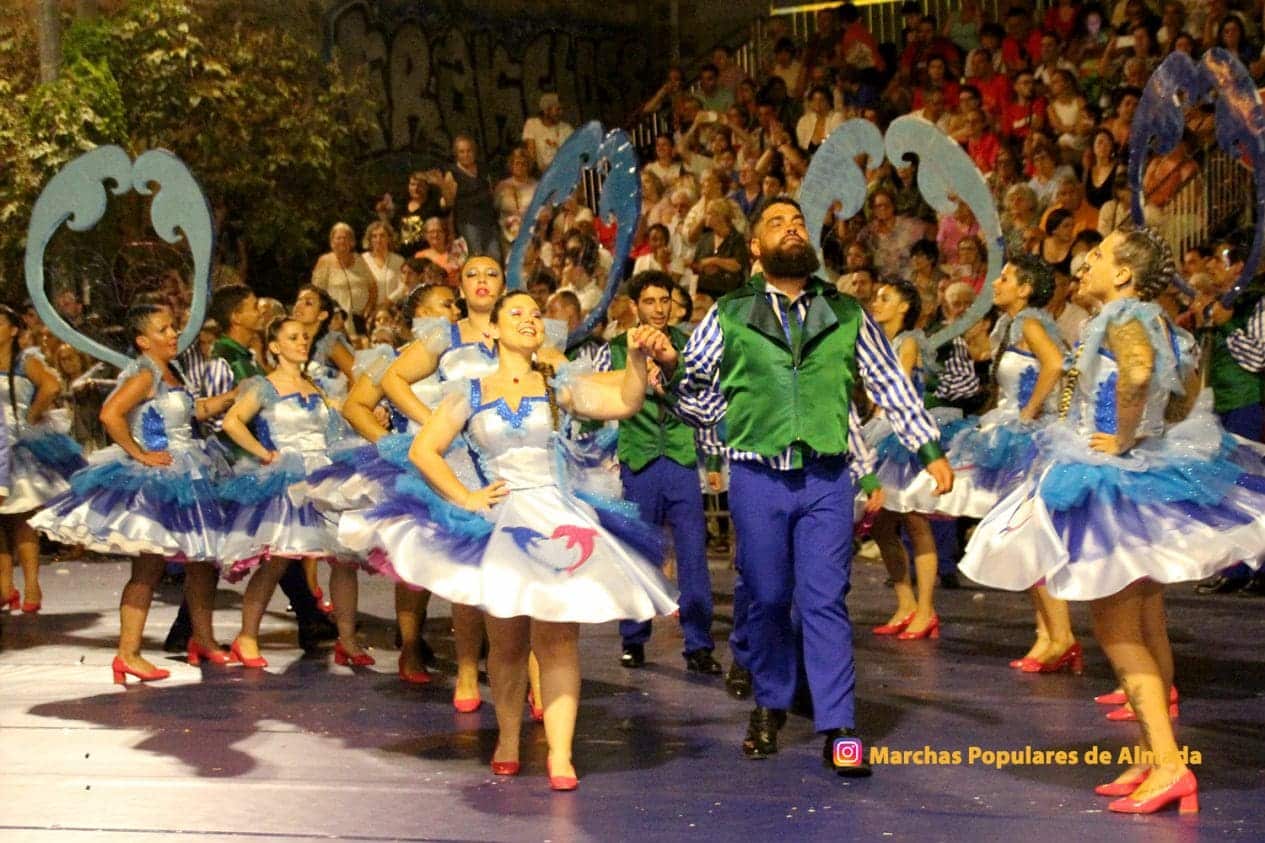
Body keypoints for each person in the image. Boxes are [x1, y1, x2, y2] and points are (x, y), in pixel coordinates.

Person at [960, 227, 1265, 814]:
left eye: (1098, 255)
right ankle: (1154, 755)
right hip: (1140, 473)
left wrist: (1123, 436)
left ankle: (1170, 766)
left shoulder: (1124, 316)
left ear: (1124, 274)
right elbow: (1183, 391)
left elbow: (1140, 373)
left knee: (1119, 631)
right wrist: (1150, 434)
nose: (1086, 262)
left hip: (1109, 479)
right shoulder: (1160, 319)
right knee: (1147, 623)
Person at [647, 199, 953, 776]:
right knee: (766, 597)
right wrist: (685, 380)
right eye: (777, 223)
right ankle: (770, 703)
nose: (792, 227)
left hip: (826, 477)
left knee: (824, 599)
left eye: (798, 221)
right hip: (757, 477)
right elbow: (695, 391)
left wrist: (928, 449)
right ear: (756, 247)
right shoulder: (731, 312)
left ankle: (839, 727)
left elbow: (889, 381)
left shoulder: (844, 310)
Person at [355, 292, 676, 790]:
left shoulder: (557, 386)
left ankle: (561, 754)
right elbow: (424, 450)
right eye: (517, 313)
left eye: (535, 314)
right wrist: (465, 496)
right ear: (494, 330)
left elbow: (624, 401)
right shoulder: (470, 391)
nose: (530, 320)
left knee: (559, 639)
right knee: (506, 641)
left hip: (558, 515)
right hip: (503, 519)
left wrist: (636, 359)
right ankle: (507, 737)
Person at [32, 305, 227, 681]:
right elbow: (110, 414)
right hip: (162, 477)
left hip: (191, 470)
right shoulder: (145, 372)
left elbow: (190, 414)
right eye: (163, 329)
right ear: (142, 341)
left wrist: (233, 396)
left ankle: (202, 640)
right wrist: (140, 453)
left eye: (173, 327)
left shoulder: (173, 370)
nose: (173, 333)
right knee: (149, 567)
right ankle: (128, 653)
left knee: (203, 562)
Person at [218, 316, 364, 668]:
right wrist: (264, 453)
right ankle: (247, 636)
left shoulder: (318, 386)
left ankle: (347, 640)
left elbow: (337, 425)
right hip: (289, 478)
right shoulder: (264, 386)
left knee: (345, 559)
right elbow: (232, 421)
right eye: (294, 337)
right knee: (278, 559)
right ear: (274, 346)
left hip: (324, 476)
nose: (302, 342)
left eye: (305, 337)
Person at [591, 272, 719, 674]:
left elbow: (706, 401)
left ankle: (698, 643)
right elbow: (595, 400)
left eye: (665, 300)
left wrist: (714, 461)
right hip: (638, 460)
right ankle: (633, 637)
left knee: (693, 555)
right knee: (637, 552)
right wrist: (598, 453)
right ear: (635, 306)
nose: (659, 309)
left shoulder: (689, 345)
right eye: (650, 301)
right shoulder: (614, 350)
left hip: (680, 460)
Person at [0, 304, 85, 613]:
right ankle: (4, 586)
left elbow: (51, 385)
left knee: (21, 516)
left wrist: (32, 415)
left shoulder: (25, 360)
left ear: (13, 330)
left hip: (18, 442)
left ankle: (32, 584)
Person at [311, 222, 376, 329]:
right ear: (332, 241)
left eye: (346, 238)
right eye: (338, 238)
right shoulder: (325, 261)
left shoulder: (359, 259)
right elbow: (316, 293)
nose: (342, 241)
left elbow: (373, 287)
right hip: (337, 321)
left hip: (361, 318)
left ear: (352, 241)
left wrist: (368, 309)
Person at [521, 93, 574, 174]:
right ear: (546, 111)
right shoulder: (532, 124)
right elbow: (531, 153)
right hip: (543, 174)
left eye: (562, 109)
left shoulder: (567, 128)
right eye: (557, 109)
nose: (561, 112)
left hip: (565, 171)